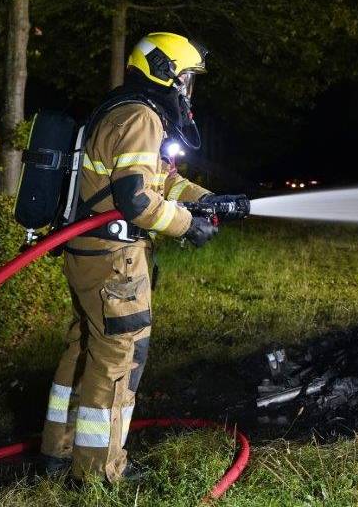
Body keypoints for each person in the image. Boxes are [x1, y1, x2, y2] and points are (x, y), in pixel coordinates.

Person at [39, 33, 238, 483]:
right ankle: (99, 472)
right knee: (118, 354)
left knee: (86, 346)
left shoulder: (121, 110)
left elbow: (160, 183)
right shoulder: (142, 116)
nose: (188, 88)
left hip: (87, 252)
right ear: (166, 71)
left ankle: (58, 451)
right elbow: (137, 201)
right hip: (115, 259)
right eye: (185, 77)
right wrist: (189, 226)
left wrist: (212, 200)